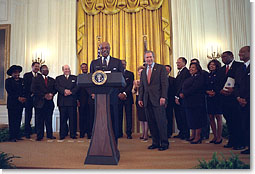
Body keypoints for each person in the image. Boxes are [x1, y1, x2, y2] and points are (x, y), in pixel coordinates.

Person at [90, 42, 124, 144]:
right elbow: (90, 79)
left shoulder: (117, 62)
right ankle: (100, 143)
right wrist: (92, 93)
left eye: (106, 48)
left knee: (113, 119)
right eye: (102, 48)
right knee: (100, 120)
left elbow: (121, 78)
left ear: (110, 49)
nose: (104, 49)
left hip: (113, 96)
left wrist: (120, 92)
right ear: (99, 50)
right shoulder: (94, 63)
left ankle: (114, 143)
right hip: (99, 97)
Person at [138, 50, 169, 151]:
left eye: (150, 57)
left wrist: (163, 96)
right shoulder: (143, 71)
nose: (149, 59)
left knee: (161, 122)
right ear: (145, 59)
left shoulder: (161, 68)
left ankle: (164, 143)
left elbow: (164, 84)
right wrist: (140, 98)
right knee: (151, 123)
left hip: (158, 99)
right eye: (147, 57)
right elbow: (142, 86)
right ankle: (155, 142)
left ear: (153, 57)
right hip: (147, 100)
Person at [217, 51, 244, 150]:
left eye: (225, 56)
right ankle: (231, 140)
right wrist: (220, 90)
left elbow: (242, 82)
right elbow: (218, 83)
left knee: (238, 122)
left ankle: (240, 142)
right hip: (224, 100)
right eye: (222, 57)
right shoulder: (221, 69)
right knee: (229, 122)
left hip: (235, 99)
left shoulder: (239, 66)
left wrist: (234, 91)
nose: (223, 58)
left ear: (231, 56)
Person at [179, 62, 207, 144]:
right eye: (190, 67)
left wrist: (184, 93)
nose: (191, 69)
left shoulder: (200, 77)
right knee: (191, 119)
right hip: (188, 102)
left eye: (193, 67)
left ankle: (198, 137)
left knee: (197, 119)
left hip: (197, 102)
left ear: (197, 69)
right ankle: (193, 135)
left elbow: (195, 88)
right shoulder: (190, 77)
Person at [31, 65, 56, 141]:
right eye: (44, 69)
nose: (46, 71)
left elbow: (55, 89)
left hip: (49, 103)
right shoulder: (36, 79)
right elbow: (33, 90)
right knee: (39, 120)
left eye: (47, 69)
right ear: (41, 71)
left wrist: (52, 94)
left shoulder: (52, 80)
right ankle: (40, 135)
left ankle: (49, 135)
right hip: (39, 102)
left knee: (49, 119)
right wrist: (44, 95)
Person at [55, 65, 79, 140]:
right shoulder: (58, 78)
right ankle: (62, 134)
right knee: (63, 119)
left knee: (73, 119)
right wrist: (64, 91)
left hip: (72, 101)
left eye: (68, 69)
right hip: (62, 101)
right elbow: (57, 86)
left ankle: (73, 134)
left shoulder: (75, 78)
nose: (67, 70)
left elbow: (78, 87)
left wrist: (71, 92)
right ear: (63, 70)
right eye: (65, 69)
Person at [234, 46, 250, 154]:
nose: (240, 54)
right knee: (245, 125)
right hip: (241, 102)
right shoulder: (240, 68)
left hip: (250, 101)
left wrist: (247, 99)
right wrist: (238, 97)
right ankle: (249, 146)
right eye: (239, 53)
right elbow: (237, 85)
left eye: (242, 52)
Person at [5, 65, 26, 142]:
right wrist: (18, 97)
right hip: (12, 104)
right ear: (12, 74)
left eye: (17, 72)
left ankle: (17, 135)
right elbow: (10, 92)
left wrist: (23, 97)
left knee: (18, 120)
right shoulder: (8, 81)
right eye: (15, 72)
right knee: (12, 120)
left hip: (20, 104)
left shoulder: (22, 80)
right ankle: (12, 136)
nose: (17, 74)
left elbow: (24, 90)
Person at [190, 58, 210, 140]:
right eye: (191, 65)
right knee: (194, 118)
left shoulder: (203, 74)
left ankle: (204, 134)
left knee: (202, 117)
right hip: (192, 100)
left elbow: (202, 85)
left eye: (194, 66)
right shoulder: (191, 75)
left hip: (201, 98)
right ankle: (195, 135)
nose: (191, 68)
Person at [205, 60, 223, 144]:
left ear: (217, 66)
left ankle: (219, 137)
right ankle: (215, 136)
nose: (211, 66)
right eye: (210, 64)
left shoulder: (219, 74)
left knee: (218, 117)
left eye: (213, 65)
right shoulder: (208, 75)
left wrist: (215, 92)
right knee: (211, 117)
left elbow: (221, 85)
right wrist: (207, 91)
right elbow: (204, 86)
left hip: (217, 97)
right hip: (209, 98)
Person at [174, 57, 190, 140]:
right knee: (179, 116)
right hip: (178, 97)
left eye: (179, 62)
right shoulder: (180, 72)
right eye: (177, 62)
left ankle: (185, 133)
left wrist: (177, 96)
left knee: (184, 116)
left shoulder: (186, 72)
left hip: (182, 97)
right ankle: (181, 132)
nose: (177, 64)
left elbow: (182, 86)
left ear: (184, 63)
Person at [23, 62, 40, 139]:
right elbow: (25, 86)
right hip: (29, 98)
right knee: (28, 116)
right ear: (32, 67)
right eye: (36, 66)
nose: (37, 68)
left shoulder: (40, 76)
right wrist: (31, 93)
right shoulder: (26, 75)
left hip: (38, 99)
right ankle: (27, 133)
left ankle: (37, 132)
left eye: (38, 67)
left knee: (38, 116)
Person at [118, 60, 134, 139]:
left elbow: (130, 85)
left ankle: (129, 133)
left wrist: (124, 93)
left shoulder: (130, 74)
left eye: (124, 64)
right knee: (118, 116)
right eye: (121, 64)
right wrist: (119, 94)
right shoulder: (116, 74)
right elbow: (115, 86)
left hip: (128, 97)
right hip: (118, 97)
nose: (123, 65)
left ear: (126, 65)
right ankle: (119, 132)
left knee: (128, 116)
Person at [132, 66, 148, 142]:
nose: (140, 73)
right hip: (138, 98)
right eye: (139, 72)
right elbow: (133, 92)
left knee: (145, 117)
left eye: (142, 72)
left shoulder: (147, 80)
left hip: (145, 99)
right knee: (140, 117)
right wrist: (135, 87)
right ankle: (142, 133)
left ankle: (146, 134)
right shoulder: (136, 81)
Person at [77, 63, 90, 138]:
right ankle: (82, 133)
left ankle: (89, 133)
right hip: (81, 100)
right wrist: (77, 100)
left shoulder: (91, 76)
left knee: (89, 117)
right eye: (83, 67)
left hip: (90, 100)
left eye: (85, 67)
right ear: (81, 68)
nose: (84, 68)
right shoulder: (79, 77)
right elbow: (76, 90)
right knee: (81, 117)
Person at [165, 65, 175, 138]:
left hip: (170, 102)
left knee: (169, 117)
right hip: (160, 102)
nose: (166, 71)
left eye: (168, 70)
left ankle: (169, 133)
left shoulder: (173, 80)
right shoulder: (158, 79)